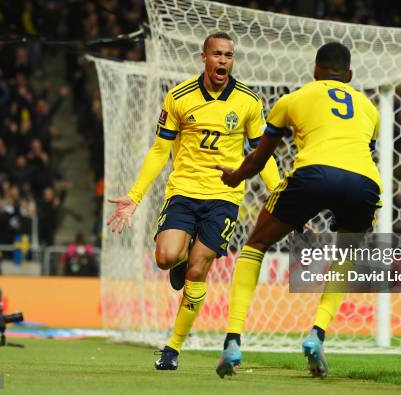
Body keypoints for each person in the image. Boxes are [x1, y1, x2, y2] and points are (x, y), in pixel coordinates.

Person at [106, 32, 281, 371]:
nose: (223, 61)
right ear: (204, 57)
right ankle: (179, 263)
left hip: (224, 197)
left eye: (229, 55)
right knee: (165, 257)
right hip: (183, 191)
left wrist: (279, 194)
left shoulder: (248, 101)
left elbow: (264, 155)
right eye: (217, 54)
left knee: (199, 270)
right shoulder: (179, 96)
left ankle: (172, 348)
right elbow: (160, 150)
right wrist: (135, 196)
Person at [215, 42, 382, 379]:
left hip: (312, 174)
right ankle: (317, 334)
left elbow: (259, 159)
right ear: (349, 76)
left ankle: (233, 341)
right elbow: (357, 158)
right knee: (345, 255)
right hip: (365, 182)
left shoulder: (293, 99)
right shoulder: (370, 109)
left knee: (255, 245)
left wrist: (235, 177)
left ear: (315, 70)